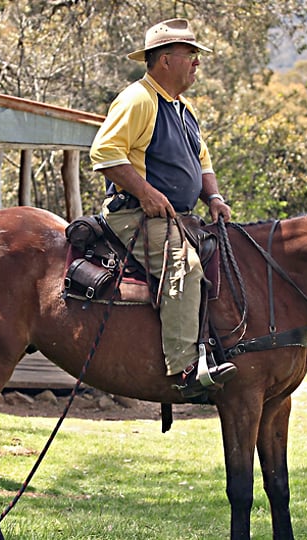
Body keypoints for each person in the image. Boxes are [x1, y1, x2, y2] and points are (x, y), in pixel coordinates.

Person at [89, 18, 237, 398]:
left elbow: (202, 162)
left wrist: (215, 198)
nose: (197, 63)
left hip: (177, 216)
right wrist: (146, 194)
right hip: (134, 215)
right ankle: (185, 369)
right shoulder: (138, 99)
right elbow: (104, 154)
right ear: (164, 60)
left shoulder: (184, 109)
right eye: (190, 55)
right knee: (184, 267)